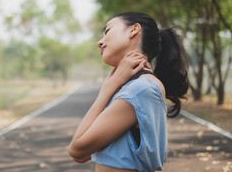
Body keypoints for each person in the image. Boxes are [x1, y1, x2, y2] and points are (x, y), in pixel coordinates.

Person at [68, 12, 189, 172]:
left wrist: (107, 89)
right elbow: (81, 156)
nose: (100, 42)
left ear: (134, 30)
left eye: (107, 31)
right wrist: (114, 85)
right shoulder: (133, 87)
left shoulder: (140, 88)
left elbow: (76, 149)